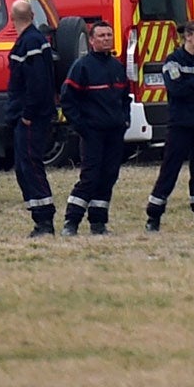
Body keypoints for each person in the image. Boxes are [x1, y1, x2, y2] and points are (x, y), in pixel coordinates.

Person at [146, 20, 194, 233]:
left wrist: (193, 84)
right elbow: (176, 90)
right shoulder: (173, 60)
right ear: (188, 36)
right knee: (170, 170)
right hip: (180, 124)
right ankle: (154, 215)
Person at [60, 19, 130, 235]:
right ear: (91, 41)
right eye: (101, 36)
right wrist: (82, 126)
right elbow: (68, 99)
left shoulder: (117, 67)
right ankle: (71, 222)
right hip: (92, 133)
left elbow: (124, 97)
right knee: (90, 178)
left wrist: (124, 120)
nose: (106, 39)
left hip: (114, 132)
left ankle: (98, 223)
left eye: (109, 35)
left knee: (109, 176)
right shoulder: (82, 67)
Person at [5, 0, 59, 237]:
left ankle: (44, 220)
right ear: (33, 14)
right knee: (25, 167)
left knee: (30, 166)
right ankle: (40, 217)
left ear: (11, 16)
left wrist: (27, 114)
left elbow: (36, 83)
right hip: (33, 114)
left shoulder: (30, 43)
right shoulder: (35, 40)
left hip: (31, 117)